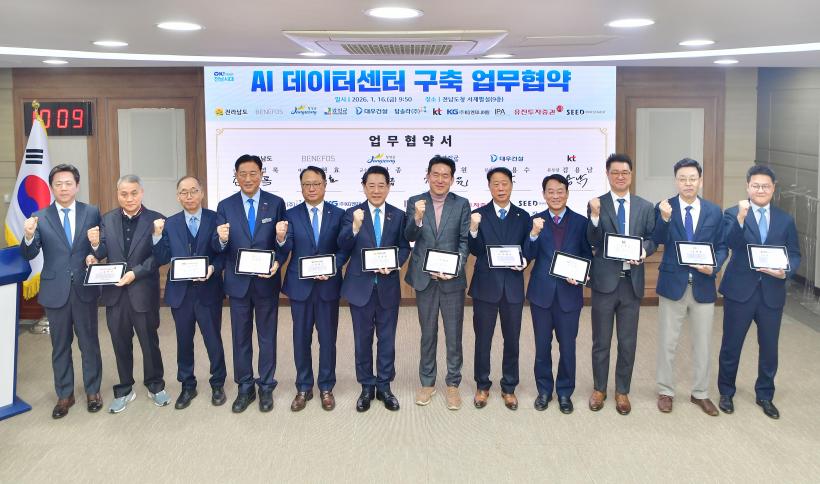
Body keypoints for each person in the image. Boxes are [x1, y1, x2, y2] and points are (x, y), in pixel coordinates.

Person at [717, 165, 801, 419]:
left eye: (765, 186)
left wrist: (786, 271)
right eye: (756, 186)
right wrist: (741, 219)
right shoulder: (733, 213)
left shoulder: (785, 219)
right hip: (740, 291)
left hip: (771, 292)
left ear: (773, 188)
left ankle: (765, 394)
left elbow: (794, 253)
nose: (760, 190)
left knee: (769, 349)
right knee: (731, 345)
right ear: (748, 187)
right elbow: (729, 243)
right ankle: (726, 392)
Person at [21, 164, 103, 418]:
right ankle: (65, 394)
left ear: (77, 186)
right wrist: (28, 236)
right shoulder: (39, 216)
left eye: (68, 183)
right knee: (60, 346)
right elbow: (29, 253)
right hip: (55, 290)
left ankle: (93, 391)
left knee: (89, 343)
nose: (64, 188)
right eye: (58, 184)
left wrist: (95, 253)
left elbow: (101, 247)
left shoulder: (91, 212)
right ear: (51, 187)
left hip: (84, 288)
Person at [652, 158, 727, 416]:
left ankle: (700, 393)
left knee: (703, 344)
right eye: (682, 179)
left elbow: (722, 246)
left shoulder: (713, 211)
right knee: (667, 342)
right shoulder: (665, 207)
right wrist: (664, 219)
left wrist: (714, 266)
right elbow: (657, 239)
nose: (687, 183)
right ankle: (665, 391)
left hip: (703, 285)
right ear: (676, 181)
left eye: (692, 178)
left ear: (700, 181)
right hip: (673, 283)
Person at [213, 154, 287, 414]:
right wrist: (221, 239)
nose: (248, 178)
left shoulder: (276, 203)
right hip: (238, 284)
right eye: (242, 174)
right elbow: (218, 248)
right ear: (236, 176)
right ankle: (245, 387)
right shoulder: (225, 206)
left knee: (267, 337)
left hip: (266, 282)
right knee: (240, 338)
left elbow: (283, 243)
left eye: (253, 173)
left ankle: (266, 386)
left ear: (261, 174)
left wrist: (278, 257)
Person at [89, 174, 170, 413]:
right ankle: (124, 388)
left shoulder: (157, 219)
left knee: (149, 342)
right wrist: (94, 248)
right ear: (118, 195)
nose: (129, 198)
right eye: (124, 194)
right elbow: (103, 252)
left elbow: (161, 257)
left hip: (142, 291)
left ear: (141, 193)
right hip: (115, 295)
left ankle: (155, 385)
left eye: (134, 193)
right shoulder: (107, 219)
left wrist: (136, 273)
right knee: (120, 342)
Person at [586, 153, 657, 415]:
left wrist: (644, 251)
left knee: (627, 342)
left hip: (631, 283)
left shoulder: (645, 206)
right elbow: (592, 240)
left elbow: (652, 238)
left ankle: (622, 391)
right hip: (604, 283)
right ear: (607, 174)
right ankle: (599, 388)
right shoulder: (597, 203)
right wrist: (594, 217)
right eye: (615, 172)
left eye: (624, 172)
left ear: (631, 175)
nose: (620, 176)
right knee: (601, 341)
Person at [338, 166, 410, 412]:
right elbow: (343, 244)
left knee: (387, 339)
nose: (376, 190)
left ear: (389, 187)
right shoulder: (352, 214)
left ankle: (385, 385)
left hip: (387, 287)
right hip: (360, 288)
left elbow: (404, 247)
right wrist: (355, 227)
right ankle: (366, 386)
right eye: (371, 186)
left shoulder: (398, 215)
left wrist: (395, 263)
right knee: (362, 339)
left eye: (381, 185)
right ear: (364, 187)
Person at [279, 166, 349, 412]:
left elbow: (344, 249)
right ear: (301, 187)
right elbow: (286, 247)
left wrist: (333, 267)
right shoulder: (290, 214)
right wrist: (280, 238)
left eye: (316, 183)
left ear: (325, 185)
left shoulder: (339, 214)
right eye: (306, 184)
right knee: (301, 338)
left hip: (328, 286)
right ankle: (303, 387)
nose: (311, 188)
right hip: (300, 287)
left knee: (327, 339)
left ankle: (326, 386)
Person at [405, 156, 471, 411]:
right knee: (428, 333)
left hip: (452, 281)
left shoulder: (461, 204)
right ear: (428, 175)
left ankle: (453, 384)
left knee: (454, 335)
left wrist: (454, 268)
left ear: (452, 179)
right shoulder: (415, 201)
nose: (440, 179)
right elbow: (409, 236)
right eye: (435, 174)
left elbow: (464, 241)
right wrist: (417, 217)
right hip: (425, 279)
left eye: (445, 175)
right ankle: (427, 382)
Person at [522, 173, 592, 414]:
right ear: (543, 195)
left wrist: (582, 275)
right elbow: (527, 254)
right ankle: (544, 390)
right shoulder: (535, 221)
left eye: (560, 191)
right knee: (542, 346)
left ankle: (564, 392)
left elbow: (587, 255)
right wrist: (533, 234)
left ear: (567, 193)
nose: (555, 195)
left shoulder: (581, 222)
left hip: (569, 294)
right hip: (541, 294)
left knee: (568, 348)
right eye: (550, 191)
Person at [158, 175, 228, 410]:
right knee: (183, 341)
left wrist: (213, 269)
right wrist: (156, 236)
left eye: (193, 191)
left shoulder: (215, 219)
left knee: (213, 340)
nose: (189, 196)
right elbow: (161, 257)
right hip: (181, 293)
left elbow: (223, 255)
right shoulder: (170, 223)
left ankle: (217, 383)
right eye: (184, 192)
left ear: (202, 193)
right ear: (178, 197)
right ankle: (187, 385)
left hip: (208, 290)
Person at [467, 167, 530, 410]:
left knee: (512, 339)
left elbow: (528, 248)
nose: (500, 188)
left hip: (512, 287)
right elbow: (475, 250)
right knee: (483, 339)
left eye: (504, 183)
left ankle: (509, 387)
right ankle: (482, 385)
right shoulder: (478, 215)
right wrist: (473, 230)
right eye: (495, 184)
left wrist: (525, 260)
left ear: (511, 185)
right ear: (489, 187)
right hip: (486, 287)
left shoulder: (523, 216)